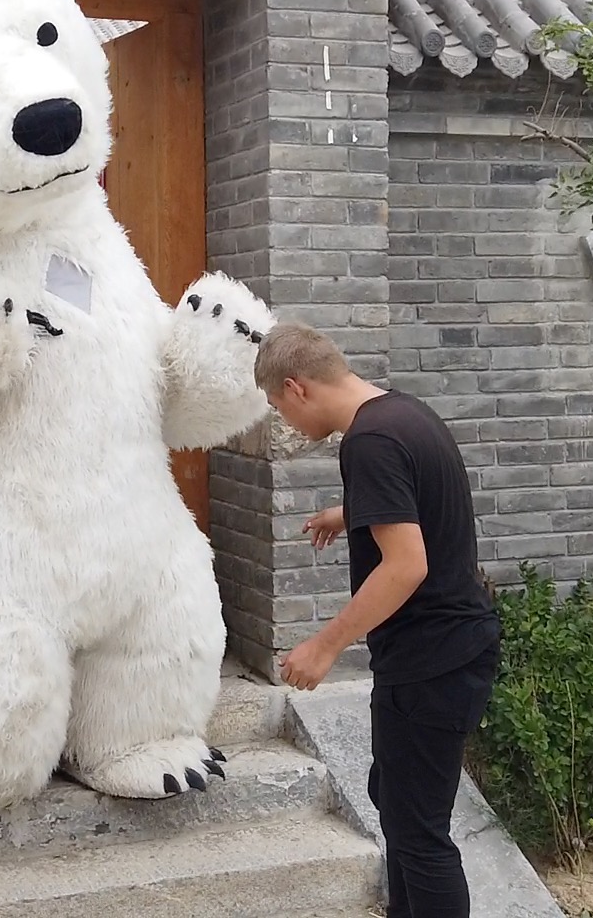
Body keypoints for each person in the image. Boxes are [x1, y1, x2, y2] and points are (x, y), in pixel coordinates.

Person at [253, 321, 501, 918]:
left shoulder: (369, 442)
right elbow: (419, 496)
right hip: (448, 649)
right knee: (394, 802)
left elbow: (406, 566)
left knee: (419, 834)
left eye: (277, 407)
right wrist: (354, 511)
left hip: (430, 658)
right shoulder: (400, 414)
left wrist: (325, 644)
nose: (285, 422)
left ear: (296, 387)